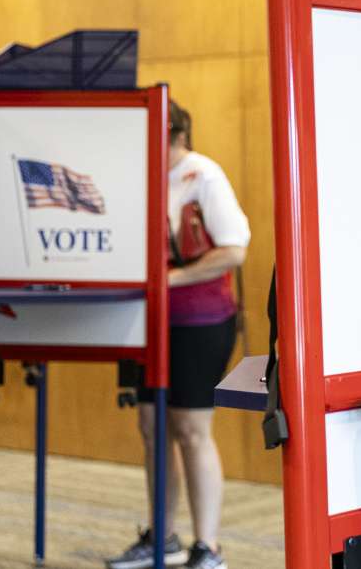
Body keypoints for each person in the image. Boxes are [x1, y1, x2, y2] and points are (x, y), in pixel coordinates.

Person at [108, 101, 249, 569]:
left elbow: (233, 250)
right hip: (148, 321)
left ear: (171, 132)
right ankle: (162, 536)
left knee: (191, 429)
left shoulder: (201, 173)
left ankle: (207, 547)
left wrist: (169, 280)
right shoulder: (142, 177)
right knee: (152, 427)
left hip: (199, 319)